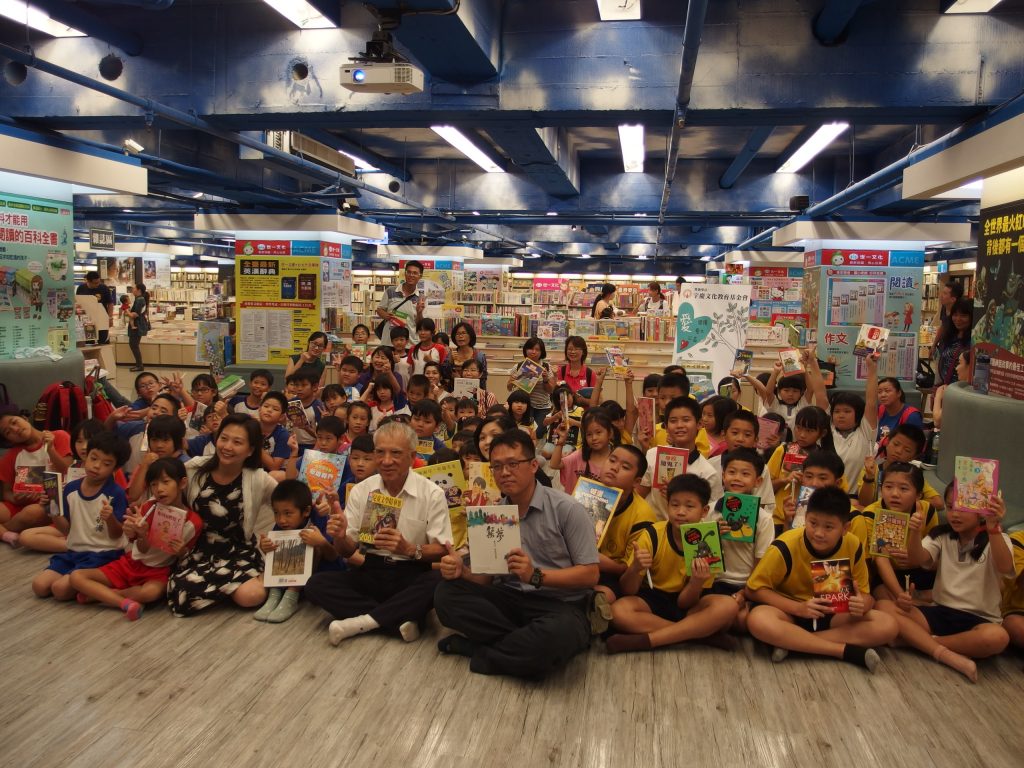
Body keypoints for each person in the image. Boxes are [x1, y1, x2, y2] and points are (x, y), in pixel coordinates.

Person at [434, 430, 599, 678]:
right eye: (497, 466)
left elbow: (590, 574)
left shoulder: (567, 508)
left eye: (513, 464)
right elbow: (486, 579)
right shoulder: (492, 515)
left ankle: (481, 650)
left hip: (560, 603)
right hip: (510, 598)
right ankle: (523, 647)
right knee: (446, 594)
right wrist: (463, 572)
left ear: (533, 466)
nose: (505, 472)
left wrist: (535, 575)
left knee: (559, 633)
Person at [305, 421, 452, 645]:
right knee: (316, 585)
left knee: (440, 580)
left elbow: (443, 549)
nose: (386, 460)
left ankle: (361, 622)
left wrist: (409, 548)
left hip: (411, 572)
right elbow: (347, 551)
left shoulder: (432, 493)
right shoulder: (362, 490)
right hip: (370, 570)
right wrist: (340, 536)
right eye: (380, 452)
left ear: (412, 457)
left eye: (396, 453)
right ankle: (398, 619)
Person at [746, 487, 899, 673]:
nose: (819, 533)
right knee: (759, 619)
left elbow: (866, 595)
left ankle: (792, 643)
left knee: (888, 625)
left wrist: (862, 604)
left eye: (828, 527)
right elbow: (753, 589)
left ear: (845, 528)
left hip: (834, 615)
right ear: (805, 518)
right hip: (789, 613)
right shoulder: (785, 545)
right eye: (813, 523)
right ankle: (841, 651)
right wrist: (799, 608)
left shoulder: (853, 545)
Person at [877, 486, 1013, 682]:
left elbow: (1005, 567)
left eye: (963, 508)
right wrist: (915, 531)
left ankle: (921, 642)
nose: (954, 514)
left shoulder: (997, 538)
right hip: (939, 612)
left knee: (998, 637)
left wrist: (994, 528)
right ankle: (946, 652)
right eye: (950, 507)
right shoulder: (941, 535)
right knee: (884, 607)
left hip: (980, 620)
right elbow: (917, 559)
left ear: (982, 512)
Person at [605, 474, 740, 653]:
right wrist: (636, 567)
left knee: (728, 606)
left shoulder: (709, 542)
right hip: (651, 598)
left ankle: (650, 640)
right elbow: (628, 589)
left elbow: (685, 603)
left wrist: (696, 582)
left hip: (688, 605)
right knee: (618, 611)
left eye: (689, 506)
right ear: (667, 505)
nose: (681, 512)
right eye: (675, 505)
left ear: (704, 511)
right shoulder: (652, 534)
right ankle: (700, 634)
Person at [166, 414, 278, 617]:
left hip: (238, 552)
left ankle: (238, 584)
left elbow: (286, 503)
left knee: (252, 596)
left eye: (237, 442)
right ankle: (227, 587)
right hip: (198, 552)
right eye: (223, 438)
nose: (227, 446)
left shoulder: (258, 478)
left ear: (251, 450)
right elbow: (164, 496)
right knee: (181, 596)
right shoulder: (194, 469)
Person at [70, 458, 202, 621]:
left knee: (150, 593)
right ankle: (124, 602)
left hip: (158, 571)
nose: (159, 489)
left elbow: (187, 560)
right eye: (153, 484)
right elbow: (142, 549)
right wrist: (139, 534)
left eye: (166, 482)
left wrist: (182, 552)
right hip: (131, 563)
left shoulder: (193, 522)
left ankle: (102, 595)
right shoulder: (148, 507)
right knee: (76, 577)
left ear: (182, 483)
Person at [31, 432, 131, 600]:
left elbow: (117, 534)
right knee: (39, 586)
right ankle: (88, 585)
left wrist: (110, 519)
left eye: (106, 463)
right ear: (86, 457)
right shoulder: (71, 488)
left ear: (115, 469)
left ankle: (100, 583)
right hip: (74, 552)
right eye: (93, 458)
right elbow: (66, 530)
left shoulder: (116, 493)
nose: (97, 466)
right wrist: (52, 509)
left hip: (103, 554)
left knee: (60, 590)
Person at [255, 480, 340, 624]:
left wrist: (322, 542)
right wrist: (266, 547)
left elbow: (333, 556)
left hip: (322, 573)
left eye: (288, 513)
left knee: (313, 547)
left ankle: (291, 596)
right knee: (277, 545)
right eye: (276, 513)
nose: (281, 520)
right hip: (291, 574)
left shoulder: (319, 519)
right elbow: (273, 552)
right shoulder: (282, 525)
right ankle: (274, 594)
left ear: (306, 511)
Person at [0, 405, 73, 544]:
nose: (15, 429)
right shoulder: (11, 456)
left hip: (52, 502)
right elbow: (6, 493)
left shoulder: (59, 436)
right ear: (9, 440)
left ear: (24, 417)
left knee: (30, 513)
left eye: (14, 422)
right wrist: (16, 499)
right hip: (20, 505)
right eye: (8, 432)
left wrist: (50, 449)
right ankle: (7, 534)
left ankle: (4, 532)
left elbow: (68, 471)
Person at [592, 445, 656, 602]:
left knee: (603, 596)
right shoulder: (587, 490)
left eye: (625, 467)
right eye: (612, 460)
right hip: (576, 561)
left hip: (611, 575)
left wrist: (591, 557)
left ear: (637, 481)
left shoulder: (642, 516)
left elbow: (627, 569)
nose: (614, 468)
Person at [638, 396, 717, 519]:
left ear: (699, 424)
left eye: (686, 420)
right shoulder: (653, 454)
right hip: (652, 526)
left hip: (685, 529)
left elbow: (710, 516)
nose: (679, 425)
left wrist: (679, 497)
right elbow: (640, 494)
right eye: (673, 421)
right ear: (666, 426)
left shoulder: (707, 472)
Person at [550, 409, 618, 494]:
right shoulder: (581, 454)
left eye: (598, 432)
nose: (594, 438)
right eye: (589, 434)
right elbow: (554, 464)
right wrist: (560, 442)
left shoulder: (617, 460)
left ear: (610, 433)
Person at [506, 337, 555, 433]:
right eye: (531, 348)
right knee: (523, 432)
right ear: (525, 350)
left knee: (538, 433)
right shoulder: (518, 366)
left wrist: (545, 380)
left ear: (542, 352)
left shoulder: (546, 367)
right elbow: (509, 388)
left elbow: (550, 390)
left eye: (537, 349)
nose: (533, 352)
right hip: (523, 405)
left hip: (542, 406)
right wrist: (511, 381)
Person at [377, 260, 425, 346]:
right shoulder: (390, 291)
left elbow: (420, 324)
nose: (411, 275)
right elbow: (380, 309)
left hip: (409, 343)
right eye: (409, 272)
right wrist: (386, 315)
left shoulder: (421, 298)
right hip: (389, 342)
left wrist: (419, 312)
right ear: (405, 273)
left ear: (420, 276)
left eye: (415, 273)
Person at [934, 298, 973, 386]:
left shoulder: (973, 341)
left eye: (963, 315)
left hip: (961, 388)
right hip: (945, 386)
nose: (958, 319)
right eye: (955, 315)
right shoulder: (950, 336)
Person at [875, 376, 922, 444]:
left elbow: (914, 445)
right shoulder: (879, 410)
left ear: (899, 393)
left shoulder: (912, 416)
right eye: (879, 392)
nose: (883, 395)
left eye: (887, 391)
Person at [75, 270, 114, 344]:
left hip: (101, 320)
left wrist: (110, 318)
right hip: (87, 321)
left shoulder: (104, 288)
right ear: (88, 281)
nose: (98, 284)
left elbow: (110, 303)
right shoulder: (81, 288)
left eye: (99, 282)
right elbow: (78, 303)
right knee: (89, 342)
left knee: (103, 342)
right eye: (95, 283)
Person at [558, 336, 595, 409]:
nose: (572, 352)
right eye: (570, 349)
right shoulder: (561, 371)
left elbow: (598, 400)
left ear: (583, 351)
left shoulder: (590, 374)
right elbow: (558, 395)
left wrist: (583, 401)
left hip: (585, 414)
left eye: (576, 349)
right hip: (566, 413)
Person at [450, 321, 488, 389]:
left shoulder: (479, 356)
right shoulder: (451, 354)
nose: (460, 336)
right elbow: (445, 375)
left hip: (474, 391)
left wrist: (461, 380)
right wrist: (450, 361)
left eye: (463, 333)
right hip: (453, 391)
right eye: (457, 334)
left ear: (470, 335)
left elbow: (483, 378)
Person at [931, 279, 965, 349]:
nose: (941, 296)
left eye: (945, 293)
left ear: (953, 299)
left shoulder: (960, 312)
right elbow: (943, 326)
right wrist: (934, 344)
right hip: (944, 346)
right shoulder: (944, 307)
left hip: (955, 348)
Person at [126, 282, 150, 372]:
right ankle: (139, 365)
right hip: (138, 325)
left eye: (134, 288)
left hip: (137, 326)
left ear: (139, 290)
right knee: (134, 345)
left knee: (134, 345)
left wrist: (127, 311)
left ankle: (139, 365)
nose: (133, 290)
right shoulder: (140, 299)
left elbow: (135, 315)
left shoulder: (140, 300)